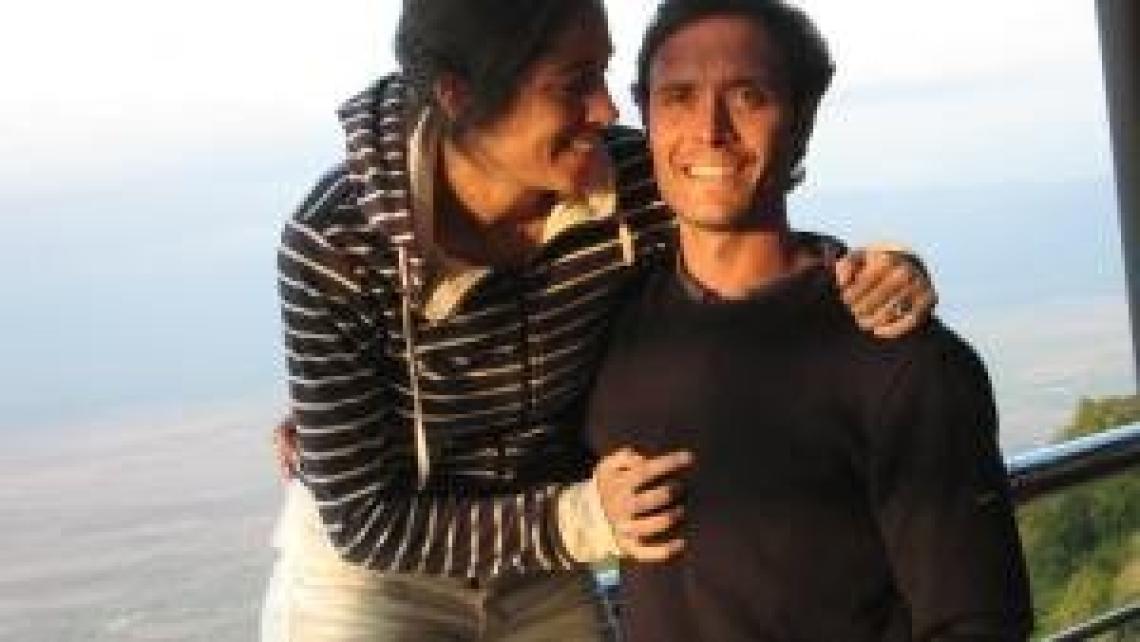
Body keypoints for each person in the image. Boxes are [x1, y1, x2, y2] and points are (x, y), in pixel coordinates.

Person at [264, 0, 937, 639]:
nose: (607, 108)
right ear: (459, 95)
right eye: (573, 84)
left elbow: (746, 242)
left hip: (543, 567)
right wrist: (582, 521)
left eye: (604, 72)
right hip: (380, 581)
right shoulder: (335, 244)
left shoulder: (627, 180)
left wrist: (873, 270)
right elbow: (363, 520)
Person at [584, 1, 1033, 640]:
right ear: (646, 117)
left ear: (802, 119)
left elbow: (976, 621)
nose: (710, 130)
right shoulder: (615, 328)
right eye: (678, 97)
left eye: (748, 97)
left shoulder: (899, 360)